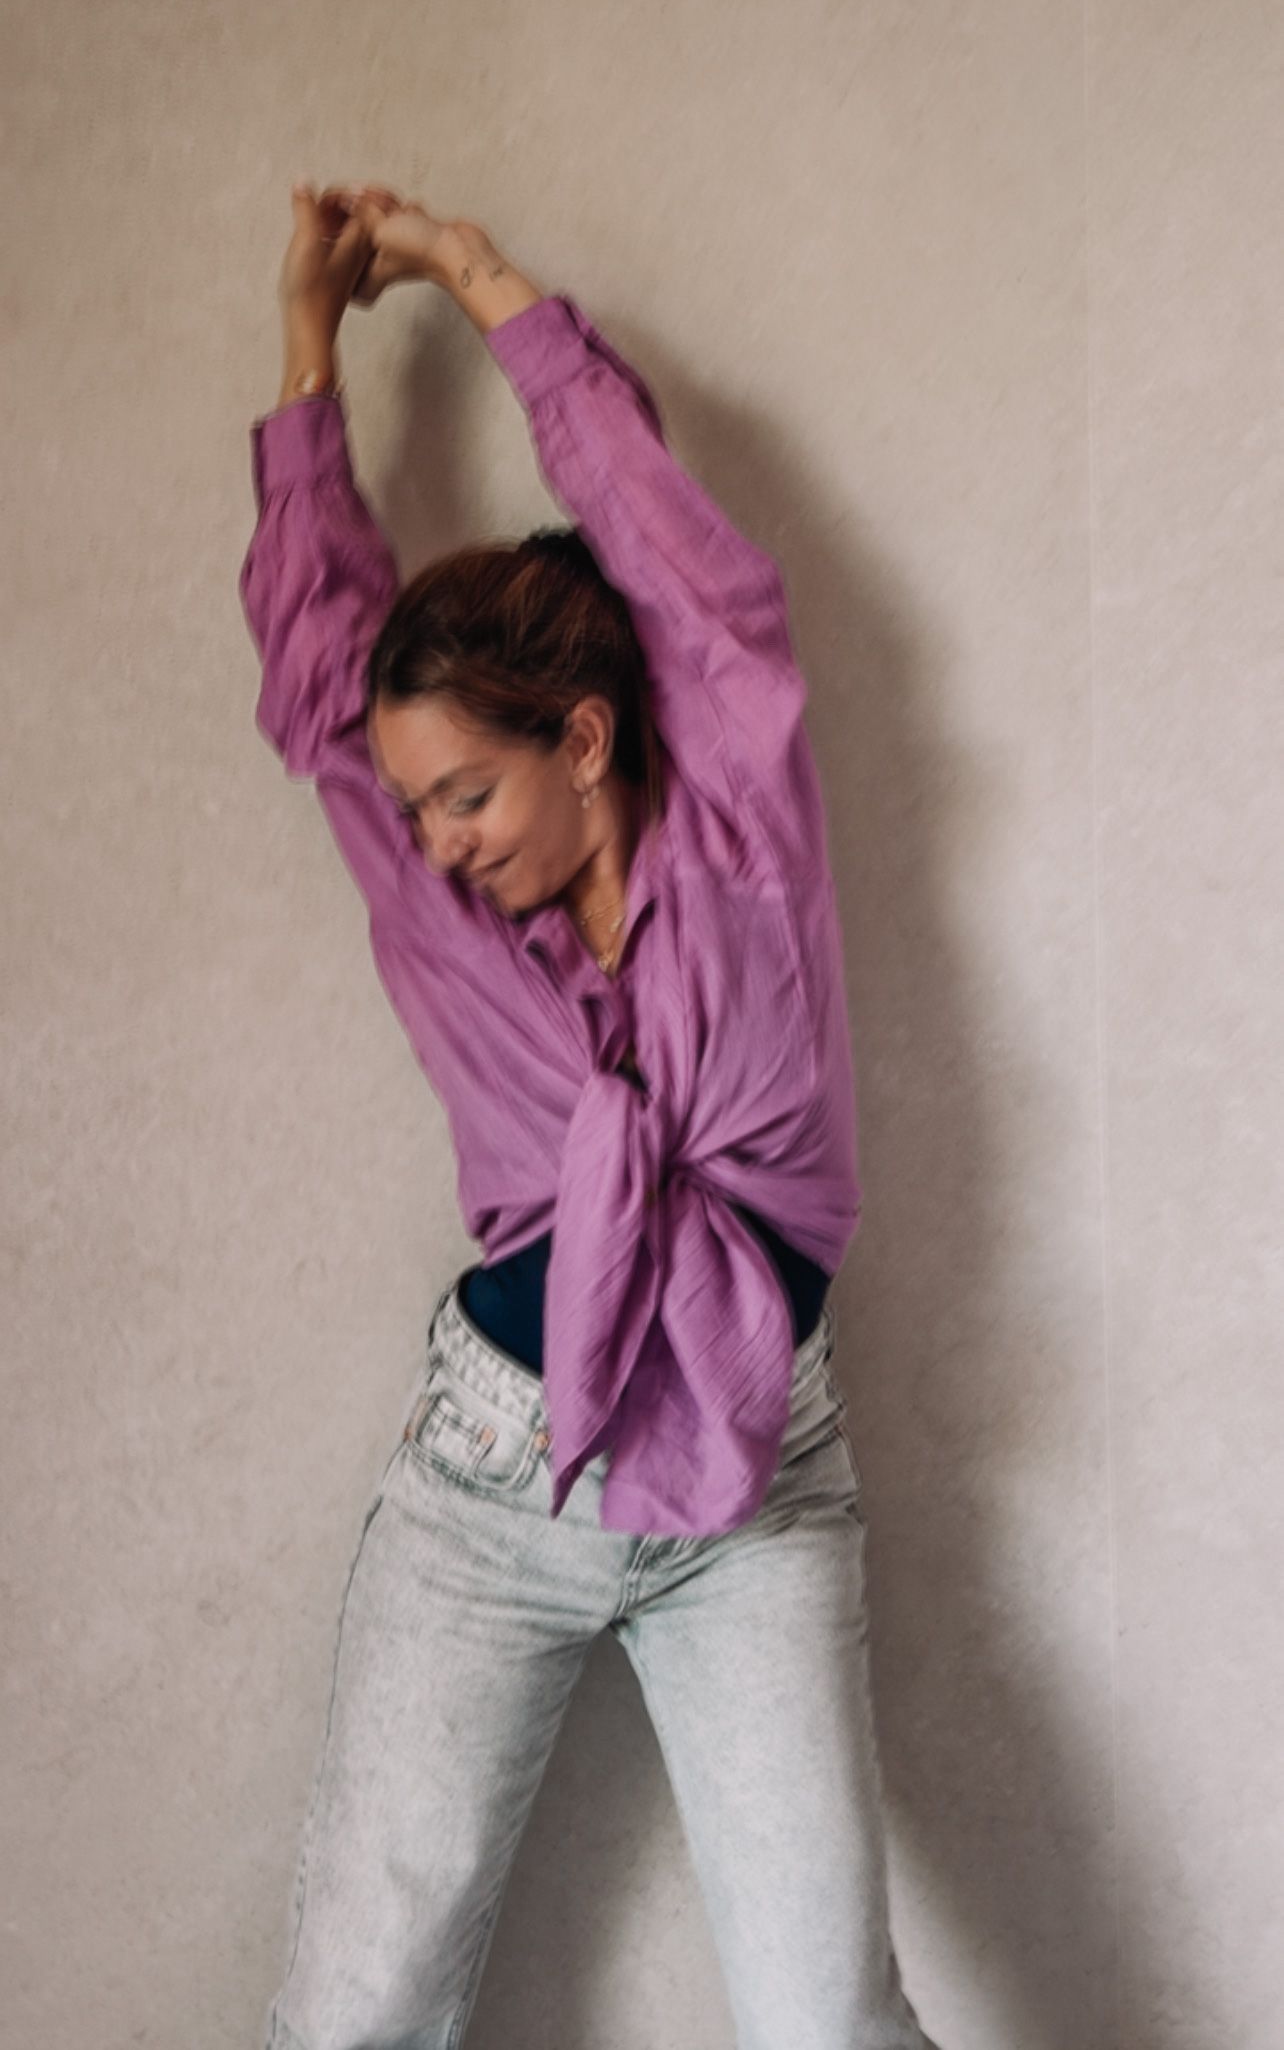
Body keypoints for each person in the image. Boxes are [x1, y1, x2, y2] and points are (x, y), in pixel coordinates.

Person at [240, 180, 943, 2050]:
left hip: (757, 1486)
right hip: (491, 1484)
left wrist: (477, 282)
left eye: (466, 794)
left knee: (829, 2021)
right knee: (355, 2014)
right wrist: (307, 345)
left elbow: (699, 589)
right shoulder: (440, 910)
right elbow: (314, 655)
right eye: (414, 807)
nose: (435, 844)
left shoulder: (744, 844)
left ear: (585, 735)